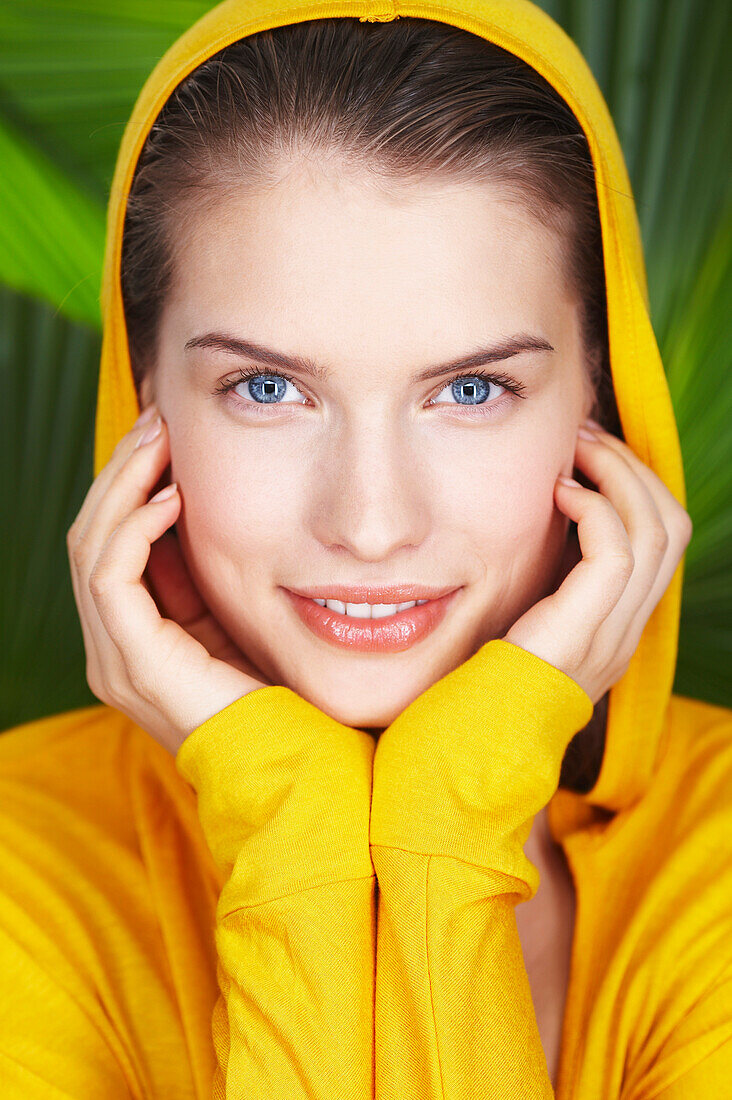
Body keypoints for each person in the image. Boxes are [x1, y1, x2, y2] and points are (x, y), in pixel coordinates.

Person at [0, 0, 730, 1096]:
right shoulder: (21, 857)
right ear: (145, 406)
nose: (373, 522)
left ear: (603, 398)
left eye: (472, 389)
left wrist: (454, 814)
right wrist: (291, 820)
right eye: (267, 387)